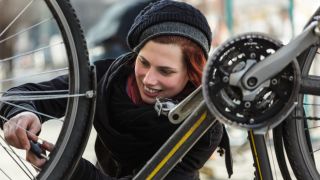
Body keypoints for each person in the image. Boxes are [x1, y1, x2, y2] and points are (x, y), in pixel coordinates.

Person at [0, 0, 230, 179]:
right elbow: (23, 95)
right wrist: (21, 114)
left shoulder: (203, 127)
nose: (149, 80)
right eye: (144, 62)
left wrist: (71, 167)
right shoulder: (109, 78)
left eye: (165, 71)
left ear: (191, 72)